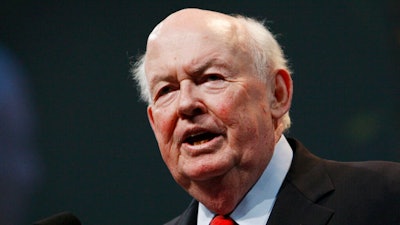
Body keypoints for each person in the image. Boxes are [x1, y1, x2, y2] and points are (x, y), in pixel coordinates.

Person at [132, 8, 400, 225]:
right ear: (154, 123)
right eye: (166, 90)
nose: (186, 104)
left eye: (212, 78)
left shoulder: (386, 198)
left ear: (277, 94)